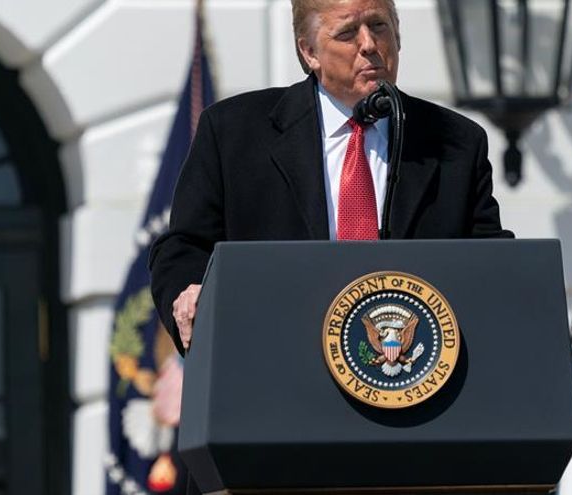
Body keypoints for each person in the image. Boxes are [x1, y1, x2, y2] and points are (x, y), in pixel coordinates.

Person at [150, 0, 513, 358]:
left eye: (379, 25)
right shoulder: (234, 133)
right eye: (348, 32)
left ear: (398, 37)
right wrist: (190, 292)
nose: (369, 44)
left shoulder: (455, 142)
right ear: (309, 52)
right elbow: (182, 247)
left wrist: (523, 282)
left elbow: (489, 262)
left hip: (412, 374)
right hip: (279, 368)